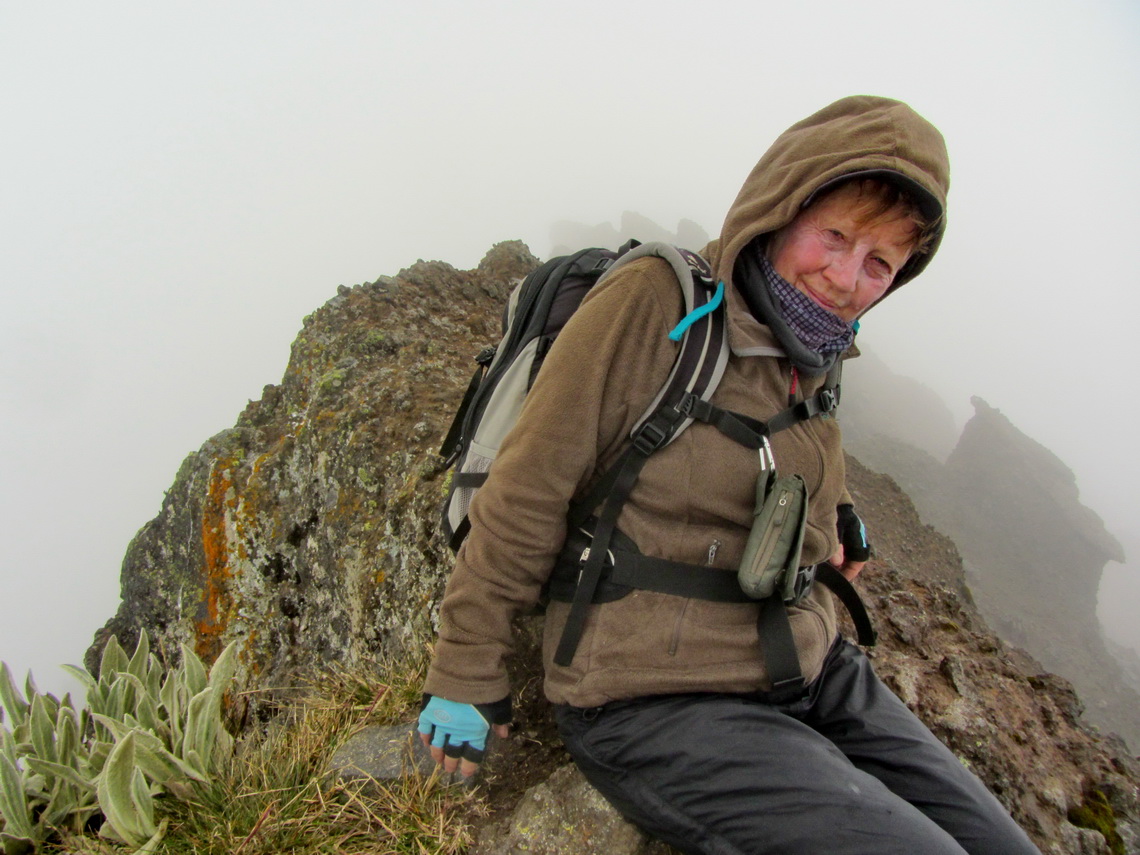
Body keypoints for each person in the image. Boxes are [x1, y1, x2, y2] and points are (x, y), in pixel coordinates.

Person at [418, 95, 1042, 855]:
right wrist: (464, 667)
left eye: (880, 262)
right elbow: (528, 488)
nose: (846, 277)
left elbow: (804, 450)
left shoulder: (817, 347)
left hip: (807, 664)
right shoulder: (655, 303)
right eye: (835, 235)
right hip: (653, 694)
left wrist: (837, 517)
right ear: (782, 206)